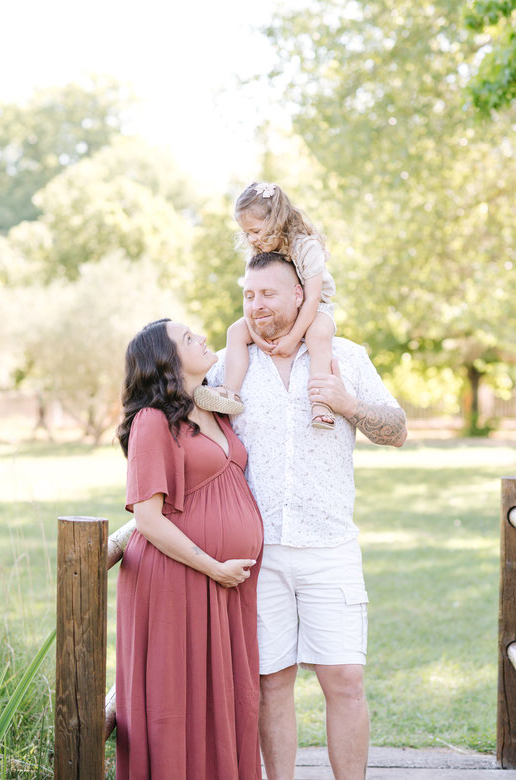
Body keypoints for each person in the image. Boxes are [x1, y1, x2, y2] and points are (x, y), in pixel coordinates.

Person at [207, 253, 407, 780]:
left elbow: (398, 428)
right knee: (272, 682)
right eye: (248, 296)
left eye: (267, 294)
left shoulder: (344, 355)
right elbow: (180, 418)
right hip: (257, 554)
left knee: (344, 679)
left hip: (330, 546)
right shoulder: (230, 366)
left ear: (301, 294)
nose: (256, 306)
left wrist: (348, 403)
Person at [115, 318, 264, 780]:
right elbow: (147, 518)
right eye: (187, 337)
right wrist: (212, 566)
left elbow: (239, 335)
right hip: (178, 579)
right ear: (166, 358)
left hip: (225, 581)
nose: (200, 337)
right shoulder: (152, 421)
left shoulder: (213, 409)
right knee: (176, 699)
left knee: (226, 697)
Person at [194, 180, 338, 429]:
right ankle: (230, 392)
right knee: (235, 332)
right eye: (246, 233)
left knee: (318, 336)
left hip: (316, 308)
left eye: (256, 231)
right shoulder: (262, 250)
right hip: (280, 308)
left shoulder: (306, 246)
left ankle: (321, 403)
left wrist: (293, 337)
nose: (252, 238)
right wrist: (257, 336)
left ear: (276, 221)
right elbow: (252, 296)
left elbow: (312, 297)